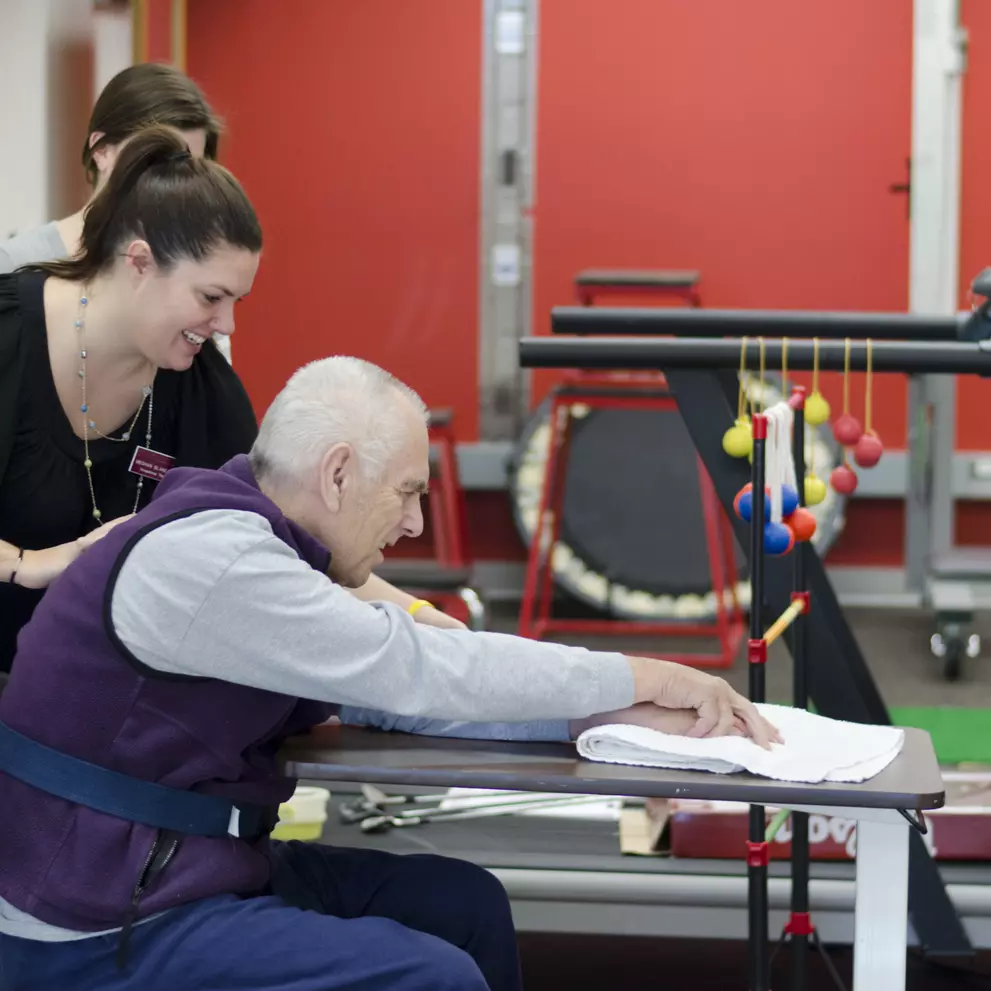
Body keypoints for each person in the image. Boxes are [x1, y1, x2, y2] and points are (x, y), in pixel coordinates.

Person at [0, 355, 781, 991]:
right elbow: (415, 668)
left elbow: (406, 697)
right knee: (428, 976)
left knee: (462, 903)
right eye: (406, 493)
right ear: (337, 474)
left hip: (178, 865)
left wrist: (602, 720)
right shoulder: (219, 563)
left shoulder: (266, 551)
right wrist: (643, 674)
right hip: (93, 918)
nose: (413, 522)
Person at [0, 125, 466, 678]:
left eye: (237, 300)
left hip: (80, 693)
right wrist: (29, 563)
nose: (225, 324)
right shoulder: (11, 333)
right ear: (140, 263)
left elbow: (286, 527)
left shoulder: (200, 383)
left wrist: (411, 613)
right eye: (211, 298)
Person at [0, 62, 220, 274]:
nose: (174, 180)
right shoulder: (18, 264)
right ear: (102, 150)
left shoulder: (191, 270)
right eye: (156, 158)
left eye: (189, 166)